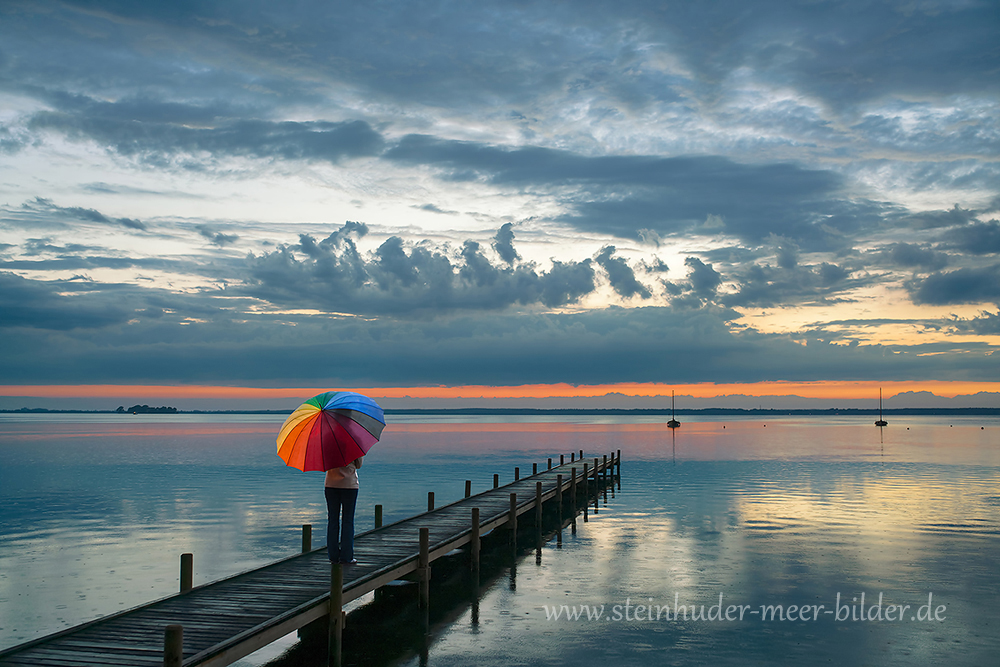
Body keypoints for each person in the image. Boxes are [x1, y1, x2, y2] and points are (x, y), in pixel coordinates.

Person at [325, 456, 362, 564]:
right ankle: (346, 557)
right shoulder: (355, 442)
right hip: (349, 485)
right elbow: (358, 465)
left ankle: (333, 556)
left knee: (332, 521)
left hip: (331, 484)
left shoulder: (327, 443)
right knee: (348, 521)